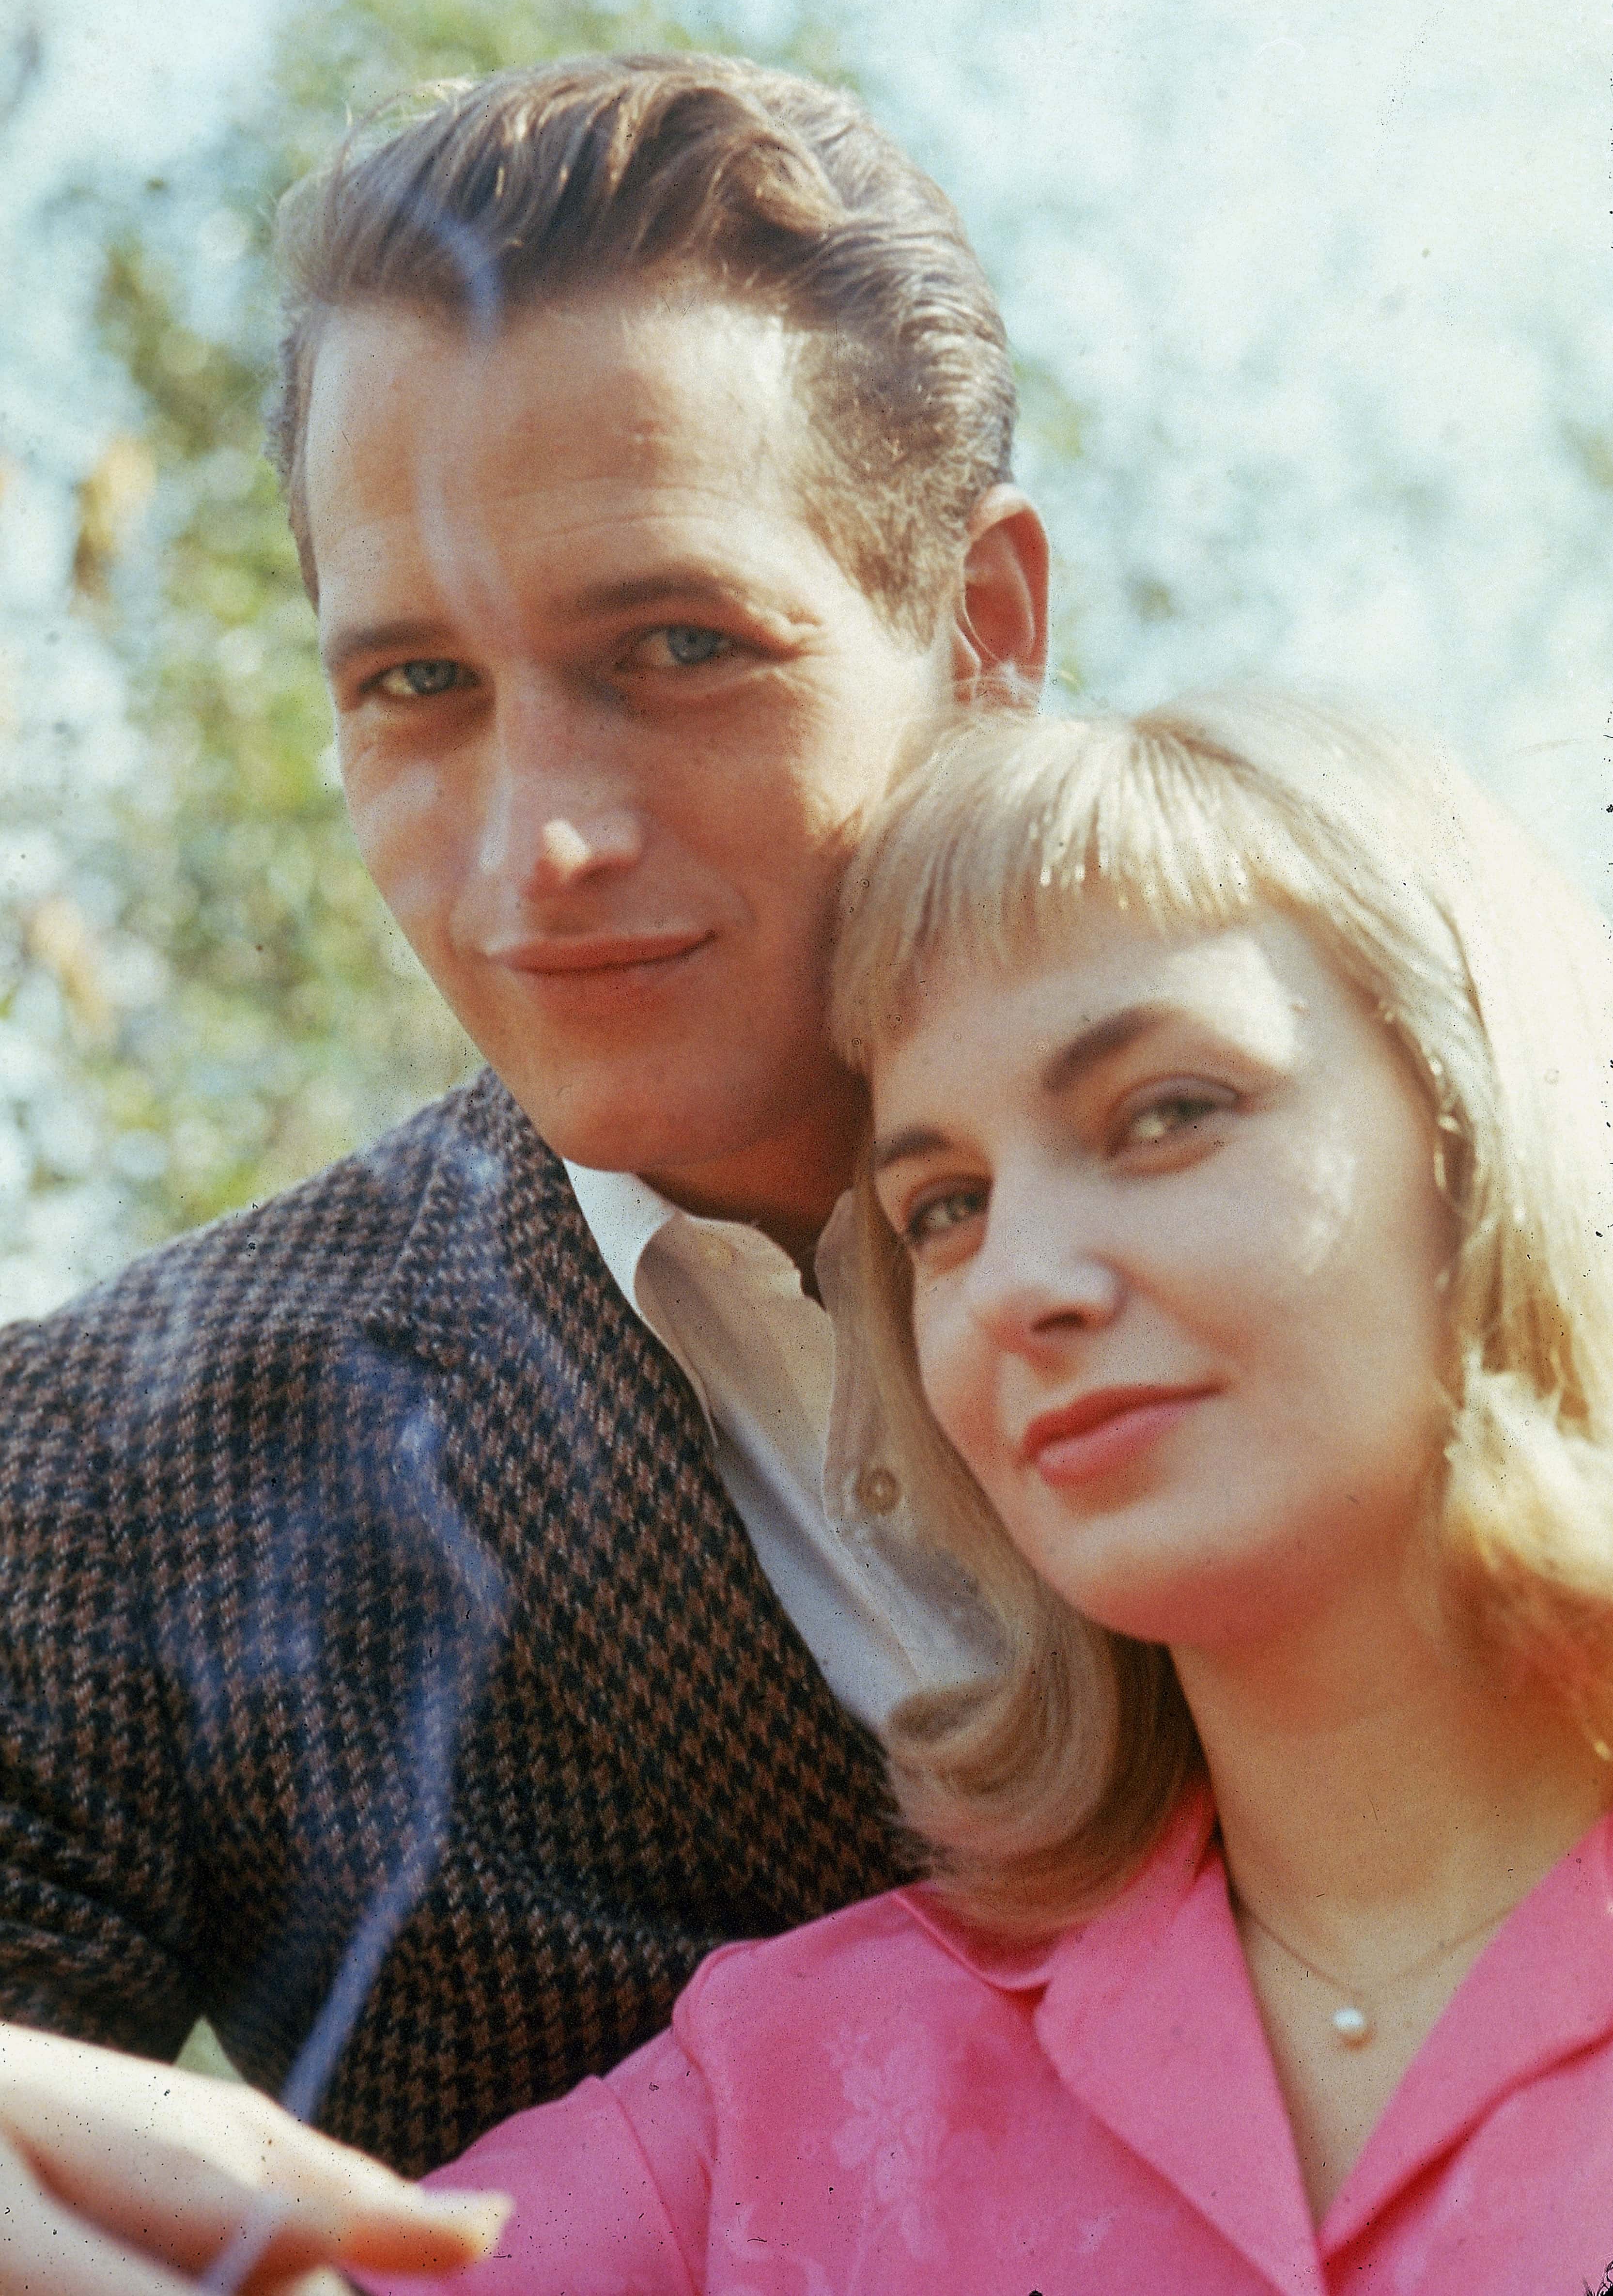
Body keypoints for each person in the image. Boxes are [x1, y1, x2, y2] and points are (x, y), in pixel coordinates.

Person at [0, 52, 1047, 2286]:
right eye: (414, 686)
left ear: (986, 635)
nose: (533, 848)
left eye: (671, 648)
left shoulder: (1417, 1225)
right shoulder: (120, 1462)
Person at [324, 690, 1613, 2293]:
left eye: (1163, 1114)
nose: (1014, 1281)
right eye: (942, 1206)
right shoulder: (768, 2094)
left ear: (1483, 1130)